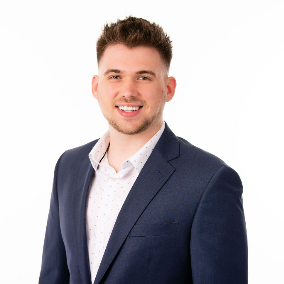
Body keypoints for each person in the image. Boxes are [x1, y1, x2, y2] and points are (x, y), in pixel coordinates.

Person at [39, 16, 248, 284]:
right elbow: (53, 276)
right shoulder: (68, 166)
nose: (128, 91)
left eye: (144, 77)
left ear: (168, 88)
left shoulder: (209, 181)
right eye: (115, 76)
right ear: (96, 86)